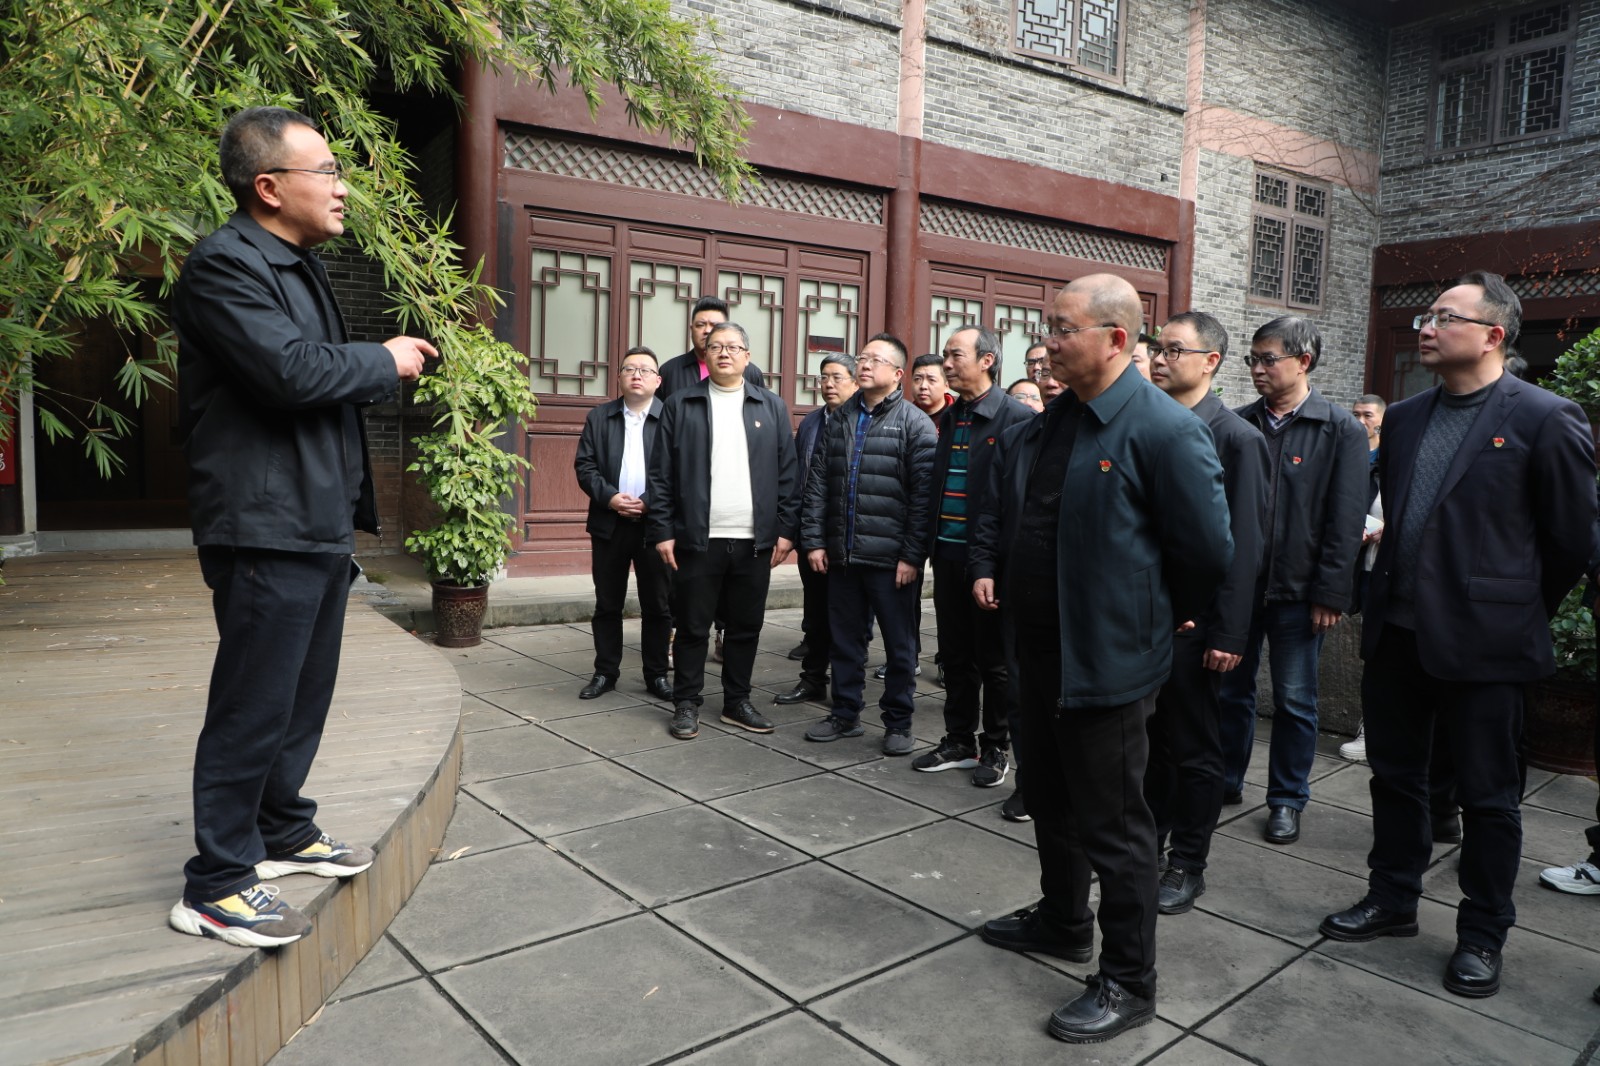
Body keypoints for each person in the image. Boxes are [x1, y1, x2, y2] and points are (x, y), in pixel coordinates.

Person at [166, 107, 434, 948]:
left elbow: (314, 380)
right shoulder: (224, 265)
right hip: (263, 525)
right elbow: (288, 372)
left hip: (313, 522)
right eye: (328, 171)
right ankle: (216, 883)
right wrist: (383, 358)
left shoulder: (298, 264)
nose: (343, 186)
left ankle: (280, 828)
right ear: (270, 186)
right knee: (253, 702)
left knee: (300, 696)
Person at [1321, 272, 1597, 1000]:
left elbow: (1572, 539)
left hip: (1489, 646)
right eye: (1427, 314)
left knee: (1488, 798)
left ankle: (1482, 933)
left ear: (1493, 335)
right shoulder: (1410, 416)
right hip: (1399, 635)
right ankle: (1392, 898)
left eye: (1446, 316)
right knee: (1395, 779)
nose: (1427, 326)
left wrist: (1513, 608)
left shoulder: (1546, 417)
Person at [970, 275, 1232, 1043]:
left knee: (1116, 825)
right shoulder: (1053, 420)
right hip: (1042, 651)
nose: (1047, 343)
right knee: (1050, 799)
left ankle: (1129, 979)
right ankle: (1062, 920)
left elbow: (1206, 552)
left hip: (1110, 659)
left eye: (1062, 328)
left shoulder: (1163, 429)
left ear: (1116, 339)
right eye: (1047, 327)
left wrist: (1152, 617)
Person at [1219, 316, 1368, 845]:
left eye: (1268, 359)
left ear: (1303, 362)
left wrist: (1331, 593)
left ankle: (1286, 799)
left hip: (1300, 593)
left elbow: (1345, 520)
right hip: (1240, 588)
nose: (1257, 369)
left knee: (1296, 700)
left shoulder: (1339, 428)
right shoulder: (1240, 424)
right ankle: (1225, 779)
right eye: (1252, 359)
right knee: (1230, 692)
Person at [1142, 312, 1268, 914]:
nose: (1159, 359)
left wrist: (1230, 631)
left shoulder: (1237, 438)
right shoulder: (1150, 424)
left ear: (1210, 362)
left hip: (1201, 625)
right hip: (1147, 617)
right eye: (1157, 348)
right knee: (1152, 742)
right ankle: (1148, 843)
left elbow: (1245, 545)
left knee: (1195, 747)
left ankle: (1188, 862)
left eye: (1174, 350)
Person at [648, 323, 799, 740]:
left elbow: (789, 474)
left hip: (754, 541)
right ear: (705, 354)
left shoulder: (771, 406)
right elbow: (660, 474)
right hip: (698, 538)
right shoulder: (681, 404)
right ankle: (686, 702)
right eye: (716, 346)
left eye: (733, 347)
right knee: (693, 626)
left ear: (747, 356)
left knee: (745, 627)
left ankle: (737, 701)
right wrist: (662, 530)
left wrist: (786, 530)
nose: (724, 353)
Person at [800, 334, 937, 755]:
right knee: (845, 641)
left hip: (891, 561)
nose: (864, 364)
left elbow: (923, 499)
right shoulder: (840, 418)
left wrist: (912, 555)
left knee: (899, 647)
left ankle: (898, 721)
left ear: (897, 374)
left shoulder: (915, 423)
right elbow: (818, 484)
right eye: (862, 358)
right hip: (842, 556)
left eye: (875, 360)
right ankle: (845, 714)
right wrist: (815, 541)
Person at [914, 326, 1032, 786]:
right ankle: (959, 739)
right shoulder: (951, 416)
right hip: (946, 553)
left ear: (987, 360)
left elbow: (1013, 502)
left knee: (995, 661)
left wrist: (994, 565)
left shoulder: (1015, 418)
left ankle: (996, 745)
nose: (946, 363)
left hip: (991, 563)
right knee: (955, 654)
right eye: (944, 354)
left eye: (955, 355)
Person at [657, 296, 765, 664]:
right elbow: (665, 445)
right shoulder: (672, 372)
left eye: (715, 327)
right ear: (692, 330)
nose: (708, 333)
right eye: (701, 326)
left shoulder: (753, 376)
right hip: (692, 504)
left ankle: (723, 638)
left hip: (740, 513)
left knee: (736, 599)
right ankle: (679, 644)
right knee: (687, 596)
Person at [573, 346, 673, 703]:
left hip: (655, 525)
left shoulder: (671, 418)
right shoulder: (600, 417)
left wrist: (649, 501)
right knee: (607, 603)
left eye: (645, 370)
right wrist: (612, 498)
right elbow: (585, 466)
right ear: (618, 378)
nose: (637, 375)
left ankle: (657, 674)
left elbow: (679, 470)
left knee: (658, 605)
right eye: (630, 369)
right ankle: (605, 672)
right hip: (609, 523)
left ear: (658, 380)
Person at [775, 353, 857, 705]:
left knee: (846, 617)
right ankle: (812, 679)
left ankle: (846, 689)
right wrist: (793, 530)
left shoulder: (863, 421)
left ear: (856, 381)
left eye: (837, 377)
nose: (828, 384)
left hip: (849, 536)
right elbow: (798, 479)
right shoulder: (811, 422)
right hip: (812, 533)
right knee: (816, 613)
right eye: (824, 377)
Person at [1341, 393, 1387, 762]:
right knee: (1372, 652)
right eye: (1355, 413)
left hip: (1392, 571)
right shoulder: (1350, 457)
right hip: (1364, 569)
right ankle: (1371, 729)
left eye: (1367, 414)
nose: (1360, 420)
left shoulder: (1390, 461)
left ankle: (1379, 731)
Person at [911, 353, 954, 420]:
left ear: (946, 386)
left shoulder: (959, 416)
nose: (923, 386)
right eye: (917, 379)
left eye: (931, 380)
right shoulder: (903, 415)